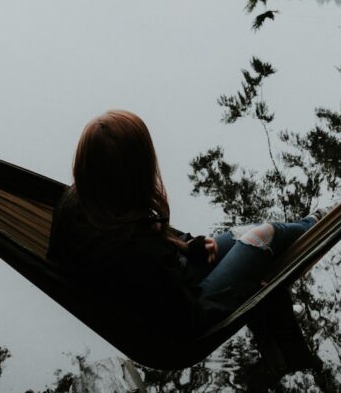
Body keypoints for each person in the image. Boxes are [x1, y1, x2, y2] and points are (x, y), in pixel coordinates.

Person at [47, 109, 326, 374]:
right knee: (264, 238)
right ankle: (320, 222)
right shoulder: (137, 251)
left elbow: (146, 263)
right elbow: (187, 319)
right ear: (137, 173)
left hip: (152, 292)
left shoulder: (77, 206)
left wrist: (188, 248)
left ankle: (284, 352)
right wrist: (247, 292)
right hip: (186, 318)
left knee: (247, 235)